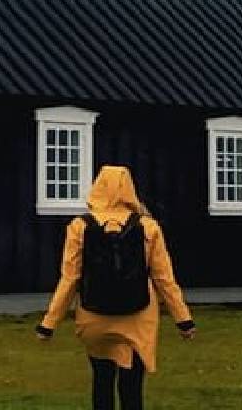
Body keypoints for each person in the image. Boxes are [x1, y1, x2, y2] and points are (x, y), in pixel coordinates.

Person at [35, 165, 195, 410]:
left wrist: (48, 324)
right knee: (132, 386)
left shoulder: (79, 227)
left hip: (94, 316)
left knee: (102, 380)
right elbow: (165, 279)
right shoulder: (148, 228)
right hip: (138, 317)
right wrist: (183, 320)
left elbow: (69, 279)